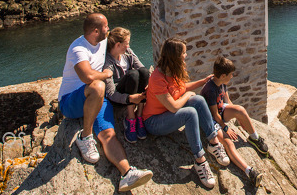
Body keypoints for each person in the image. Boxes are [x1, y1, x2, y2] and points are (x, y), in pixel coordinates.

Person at [57, 13, 152, 192]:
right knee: (98, 86)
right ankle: (85, 137)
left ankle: (127, 173)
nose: (108, 29)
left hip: (97, 99)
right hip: (71, 102)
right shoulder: (79, 49)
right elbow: (88, 76)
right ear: (95, 31)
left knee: (109, 134)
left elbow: (122, 45)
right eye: (105, 27)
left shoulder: (103, 42)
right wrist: (107, 74)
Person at [142, 38, 231, 189]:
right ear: (175, 56)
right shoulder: (158, 78)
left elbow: (182, 89)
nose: (186, 55)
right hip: (154, 122)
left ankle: (213, 142)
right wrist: (188, 95)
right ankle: (200, 160)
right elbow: (174, 107)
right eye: (183, 52)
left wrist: (202, 81)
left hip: (169, 115)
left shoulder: (174, 71)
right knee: (190, 112)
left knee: (198, 100)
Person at [201, 55, 266, 186]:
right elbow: (214, 115)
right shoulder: (210, 89)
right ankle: (249, 172)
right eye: (230, 74)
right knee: (228, 143)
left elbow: (228, 102)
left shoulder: (222, 83)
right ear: (223, 75)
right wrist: (226, 128)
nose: (232, 77)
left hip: (220, 111)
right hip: (211, 120)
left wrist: (238, 116)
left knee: (241, 110)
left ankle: (254, 137)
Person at [103, 27, 149, 143]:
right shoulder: (107, 62)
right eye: (126, 43)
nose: (128, 46)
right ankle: (130, 118)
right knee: (133, 74)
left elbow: (141, 67)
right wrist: (129, 98)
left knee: (143, 71)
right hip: (120, 96)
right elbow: (111, 93)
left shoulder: (128, 53)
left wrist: (149, 83)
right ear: (118, 45)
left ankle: (139, 115)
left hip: (133, 90)